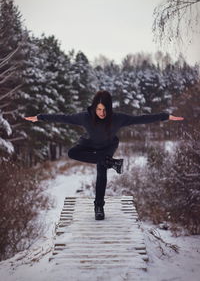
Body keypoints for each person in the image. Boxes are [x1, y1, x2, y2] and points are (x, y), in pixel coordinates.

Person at [24, 90, 184, 220]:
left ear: (109, 108)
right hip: (88, 145)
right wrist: (40, 117)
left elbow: (141, 119)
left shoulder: (118, 118)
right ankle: (111, 162)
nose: (101, 112)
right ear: (94, 107)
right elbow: (62, 117)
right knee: (72, 152)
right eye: (99, 109)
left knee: (101, 173)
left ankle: (99, 207)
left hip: (108, 147)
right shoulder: (84, 117)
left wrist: (165, 116)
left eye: (104, 109)